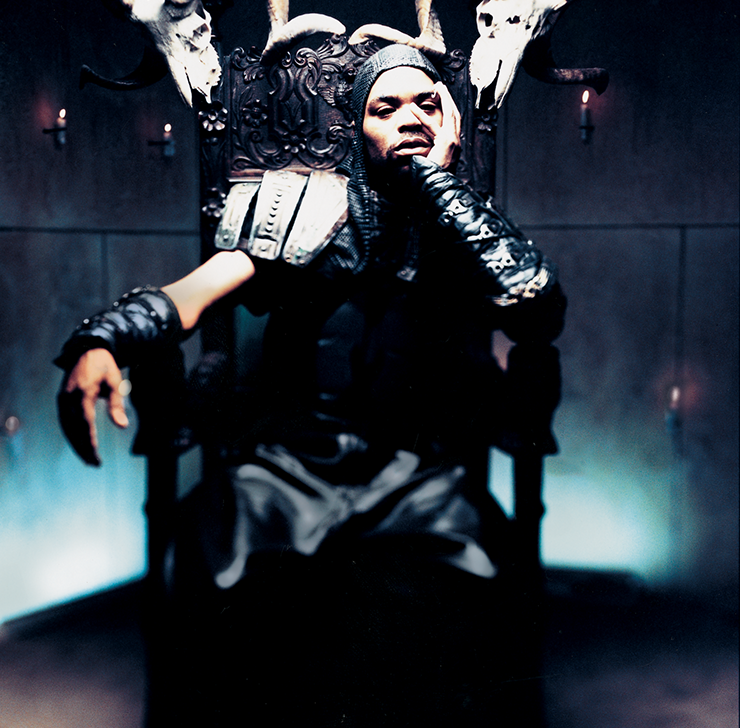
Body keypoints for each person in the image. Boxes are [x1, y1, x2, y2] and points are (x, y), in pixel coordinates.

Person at [56, 44, 565, 725]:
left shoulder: (463, 228)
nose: (410, 118)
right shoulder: (298, 211)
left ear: (449, 121)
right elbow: (190, 295)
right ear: (358, 127)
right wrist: (102, 340)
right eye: (386, 107)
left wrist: (442, 187)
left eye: (427, 104)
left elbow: (536, 310)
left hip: (413, 472)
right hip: (289, 468)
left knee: (474, 580)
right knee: (226, 570)